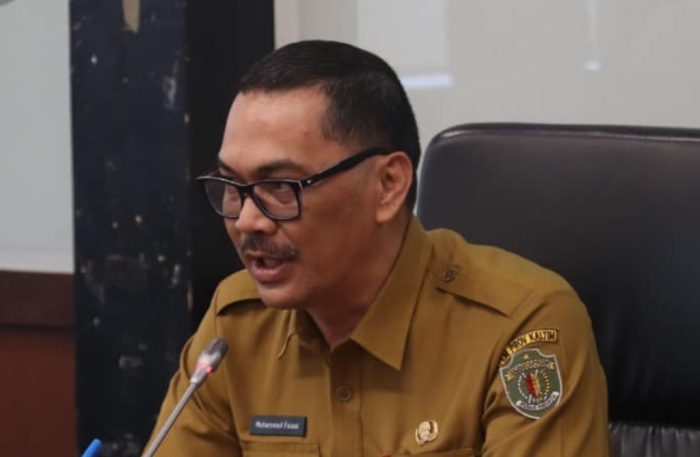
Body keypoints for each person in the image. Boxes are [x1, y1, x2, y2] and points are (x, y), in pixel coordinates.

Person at [148, 40, 610, 456]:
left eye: (280, 187)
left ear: (388, 185)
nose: (248, 220)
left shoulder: (520, 326)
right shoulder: (236, 325)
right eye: (232, 186)